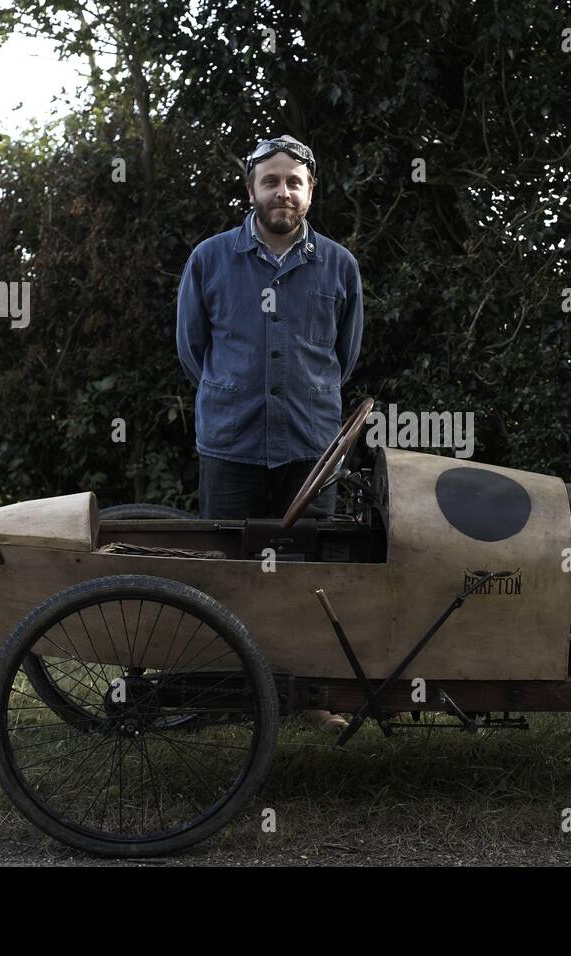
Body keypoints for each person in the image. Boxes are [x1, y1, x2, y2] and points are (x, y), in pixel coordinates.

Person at [176, 134, 363, 732]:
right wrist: (232, 393)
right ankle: (230, 697)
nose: (282, 191)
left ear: (310, 190)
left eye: (294, 182)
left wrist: (307, 397)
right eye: (271, 181)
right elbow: (193, 350)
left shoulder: (338, 264)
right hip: (230, 442)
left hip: (310, 447)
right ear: (251, 188)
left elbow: (344, 354)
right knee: (227, 572)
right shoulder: (209, 259)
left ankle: (310, 700)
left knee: (308, 577)